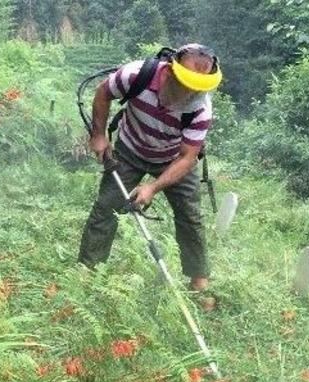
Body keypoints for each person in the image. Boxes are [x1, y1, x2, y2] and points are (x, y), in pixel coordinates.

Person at [77, 44, 222, 297]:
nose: (192, 93)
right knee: (106, 208)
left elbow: (188, 158)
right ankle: (86, 272)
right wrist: (99, 135)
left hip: (173, 159)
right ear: (170, 72)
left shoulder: (201, 109)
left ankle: (199, 283)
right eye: (187, 85)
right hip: (130, 149)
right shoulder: (135, 75)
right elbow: (102, 94)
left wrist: (153, 188)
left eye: (198, 88)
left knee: (190, 216)